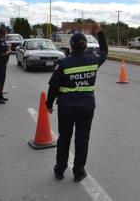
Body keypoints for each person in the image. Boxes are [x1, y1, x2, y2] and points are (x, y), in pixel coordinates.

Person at [46, 23, 108, 182]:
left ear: (71, 46)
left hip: (66, 108)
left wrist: (48, 104)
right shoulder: (93, 60)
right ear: (85, 45)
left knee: (64, 139)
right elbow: (104, 51)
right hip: (86, 107)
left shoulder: (64, 63)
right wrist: (99, 33)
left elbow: (53, 86)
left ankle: (60, 170)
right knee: (82, 140)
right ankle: (79, 172)